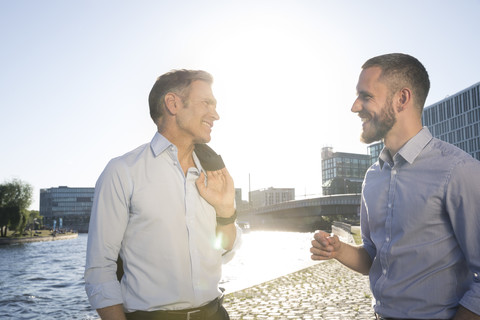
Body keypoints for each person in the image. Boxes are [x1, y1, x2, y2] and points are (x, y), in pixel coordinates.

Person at [311, 53, 480, 320]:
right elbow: (372, 257)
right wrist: (338, 250)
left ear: (401, 99)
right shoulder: (372, 177)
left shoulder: (458, 170)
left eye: (365, 96)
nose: (355, 107)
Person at [85, 69, 241, 320]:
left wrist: (225, 214)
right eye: (207, 103)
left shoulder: (215, 174)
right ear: (173, 103)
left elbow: (225, 249)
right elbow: (99, 270)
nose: (216, 114)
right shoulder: (123, 172)